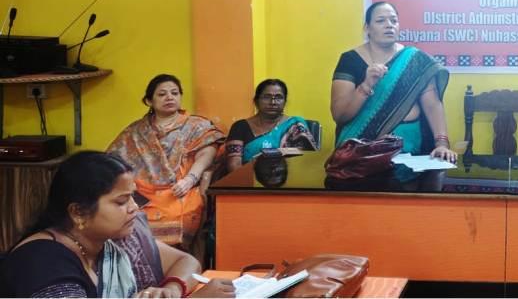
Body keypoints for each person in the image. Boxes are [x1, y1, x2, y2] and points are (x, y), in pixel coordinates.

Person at [0, 152, 235, 298]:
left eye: (133, 197)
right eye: (121, 201)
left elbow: (186, 261)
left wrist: (172, 290)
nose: (135, 208)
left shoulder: (116, 240)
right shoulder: (45, 262)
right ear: (78, 212)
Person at [330, 2, 457, 177]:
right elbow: (340, 114)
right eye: (381, 20)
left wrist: (441, 144)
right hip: (362, 156)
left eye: (393, 20)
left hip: (412, 151)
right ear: (367, 28)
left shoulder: (415, 60)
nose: (389, 25)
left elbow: (432, 104)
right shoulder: (350, 60)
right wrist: (366, 85)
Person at [107, 74, 225, 249]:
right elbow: (111, 160)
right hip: (141, 193)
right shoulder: (136, 131)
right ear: (149, 101)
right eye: (162, 94)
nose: (169, 97)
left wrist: (190, 179)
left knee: (181, 214)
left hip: (181, 189)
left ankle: (175, 260)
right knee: (120, 215)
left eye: (174, 93)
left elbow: (209, 150)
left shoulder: (196, 125)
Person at [226, 79, 317, 172]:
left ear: (285, 101)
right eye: (266, 97)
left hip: (288, 177)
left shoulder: (295, 125)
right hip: (247, 178)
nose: (273, 102)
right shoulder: (240, 127)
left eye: (278, 97)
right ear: (256, 101)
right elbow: (234, 165)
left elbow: (304, 163)